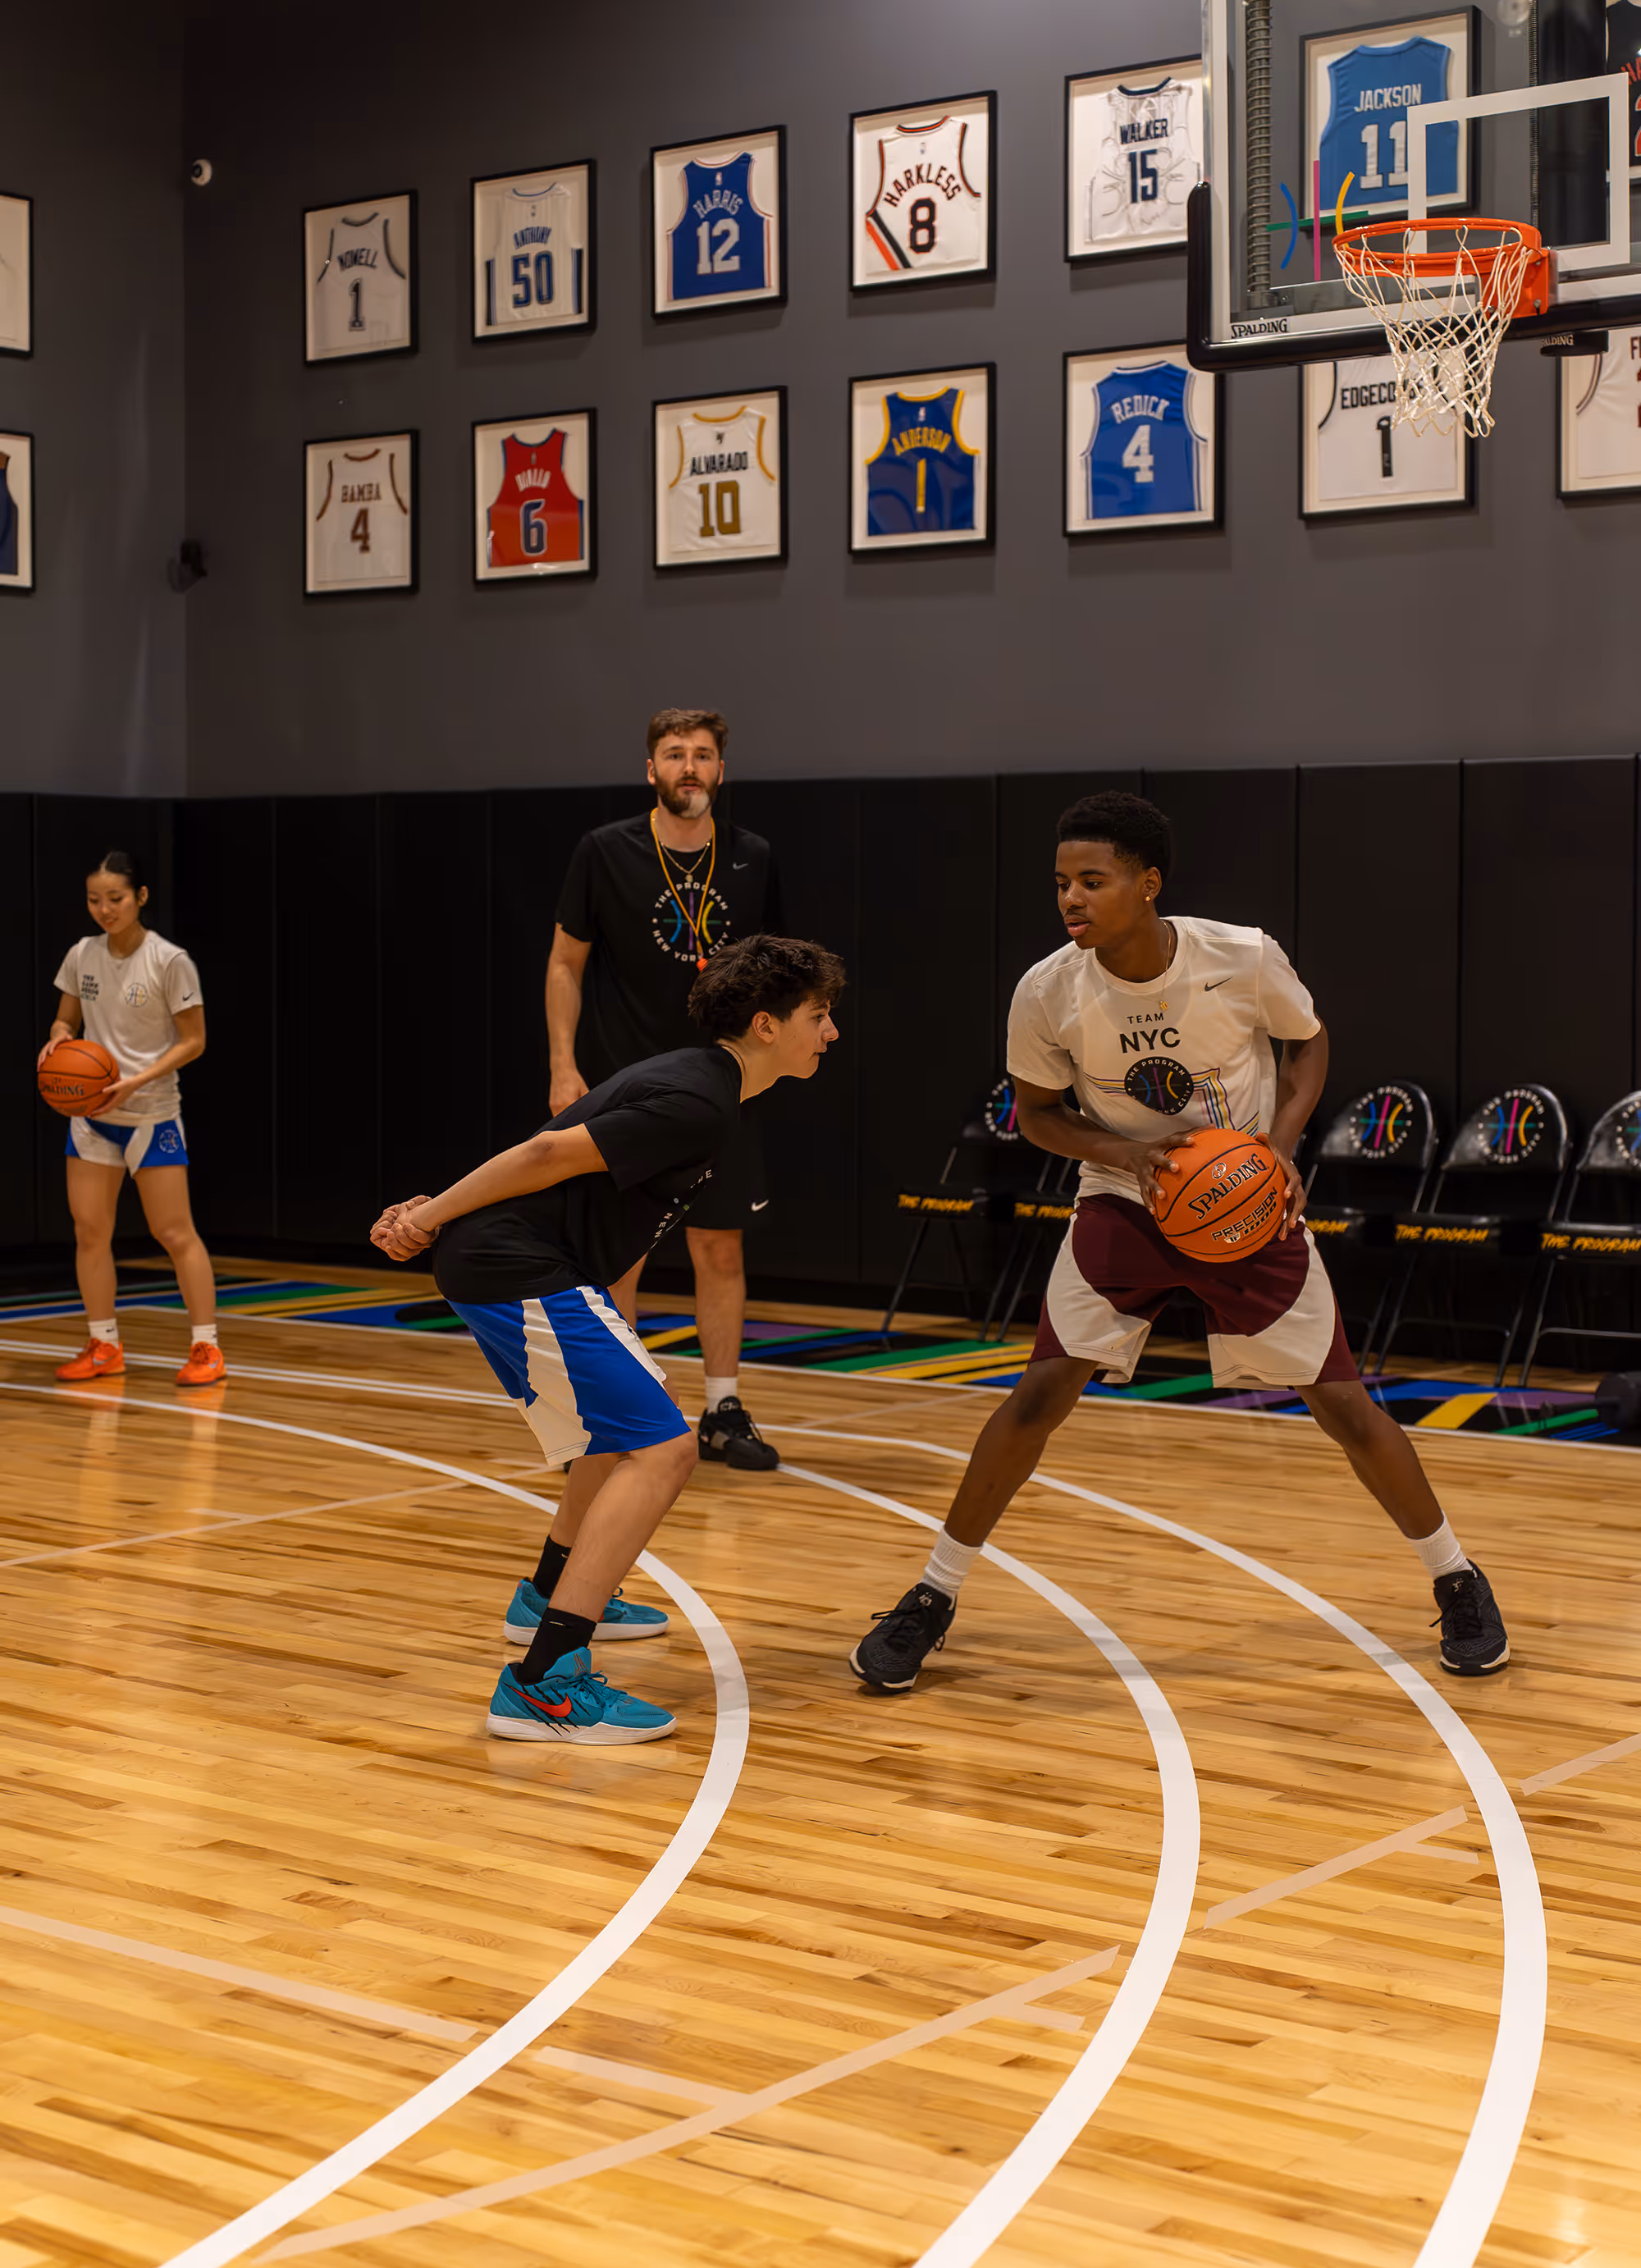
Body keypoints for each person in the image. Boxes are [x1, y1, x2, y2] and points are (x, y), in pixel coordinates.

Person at [849, 790, 1509, 1693]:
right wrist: (1118, 1150)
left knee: (1342, 1403)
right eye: (1059, 884)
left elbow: (1306, 1044)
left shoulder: (1237, 955)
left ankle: (1454, 1577)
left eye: (1092, 880)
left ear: (1146, 883)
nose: (1070, 899)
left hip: (1238, 1202)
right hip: (1124, 1198)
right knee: (1038, 1395)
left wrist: (1277, 1148)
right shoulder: (1047, 990)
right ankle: (930, 1595)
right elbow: (1038, 1117)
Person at [373, 934, 844, 1747]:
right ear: (766, 1026)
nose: (831, 1032)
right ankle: (545, 1683)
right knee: (665, 1449)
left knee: (625, 1428)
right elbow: (547, 1151)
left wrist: (440, 1212)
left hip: (526, 1262)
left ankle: (546, 1596)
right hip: (515, 1267)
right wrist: (430, 1214)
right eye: (819, 1016)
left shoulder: (705, 1087)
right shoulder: (695, 1100)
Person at [546, 707, 783, 1472]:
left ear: (722, 771)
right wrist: (562, 1065)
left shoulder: (753, 856)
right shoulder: (605, 851)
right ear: (651, 770)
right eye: (674, 755)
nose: (690, 767)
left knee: (719, 1246)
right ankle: (624, 1407)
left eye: (704, 755)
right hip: (631, 1086)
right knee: (619, 1256)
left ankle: (721, 1408)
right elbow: (564, 965)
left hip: (725, 1086)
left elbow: (776, 976)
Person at [40, 849, 225, 1388]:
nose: (104, 909)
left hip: (151, 1114)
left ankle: (206, 1348)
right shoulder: (82, 954)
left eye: (115, 898)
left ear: (140, 897)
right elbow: (64, 1018)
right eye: (95, 900)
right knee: (90, 1231)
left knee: (173, 1232)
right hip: (93, 1116)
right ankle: (104, 1345)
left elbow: (195, 1041)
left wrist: (138, 1079)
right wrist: (57, 1042)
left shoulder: (170, 961)